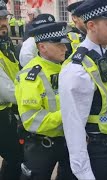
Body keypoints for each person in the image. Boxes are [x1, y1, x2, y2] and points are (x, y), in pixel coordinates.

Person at [59, 0, 107, 179]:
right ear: (92, 25)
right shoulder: (77, 70)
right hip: (99, 149)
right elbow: (74, 126)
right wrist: (83, 172)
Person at [14, 21, 76, 180]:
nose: (65, 48)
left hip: (67, 140)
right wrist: (67, 114)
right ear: (42, 47)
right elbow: (32, 120)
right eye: (59, 45)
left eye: (65, 44)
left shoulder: (65, 68)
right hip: (42, 145)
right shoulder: (31, 76)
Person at [0, 1, 23, 179]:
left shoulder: (5, 44)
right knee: (16, 157)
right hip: (3, 111)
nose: (3, 22)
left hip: (8, 109)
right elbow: (7, 90)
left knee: (14, 158)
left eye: (4, 18)